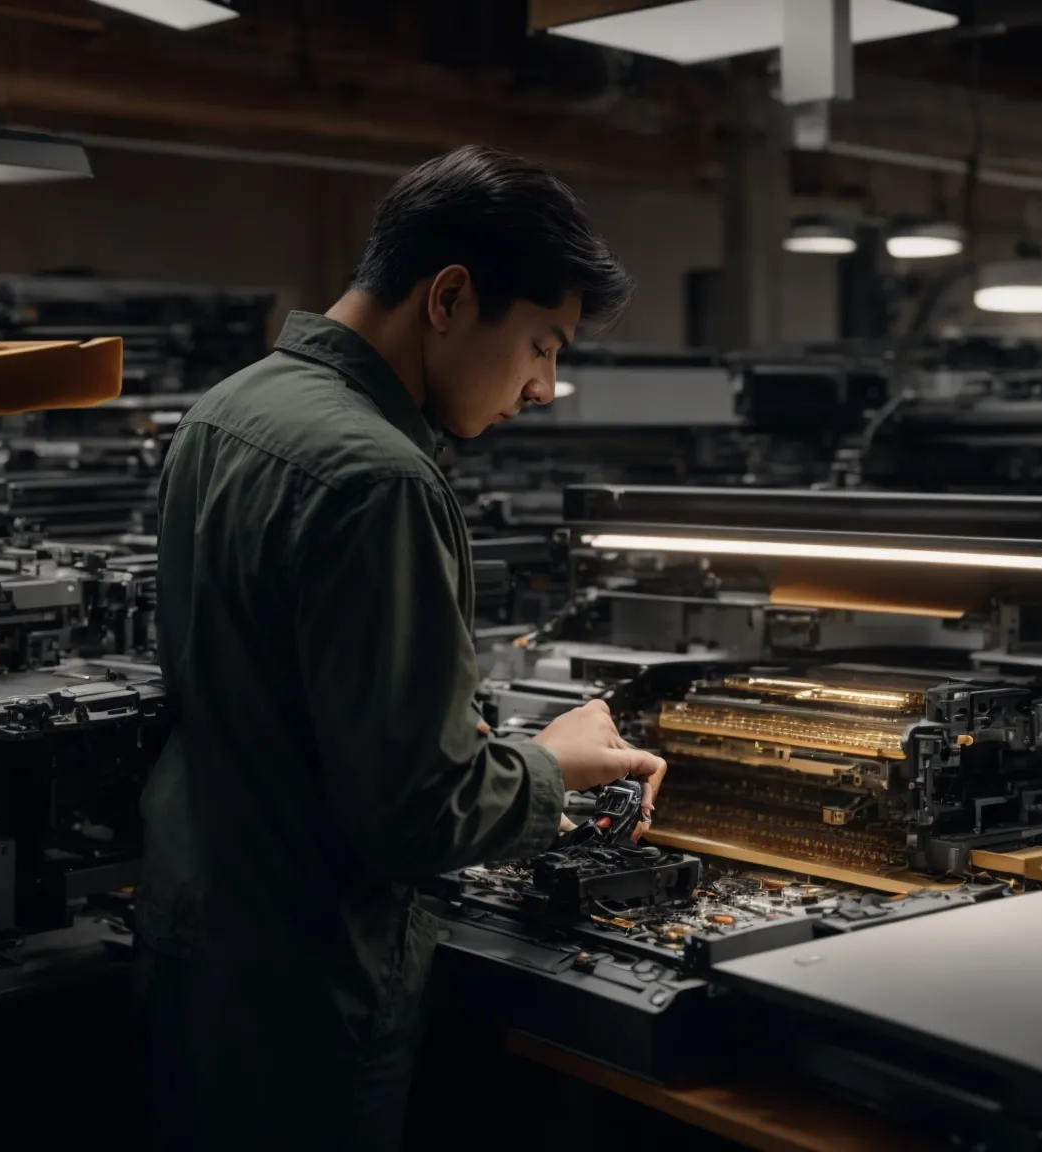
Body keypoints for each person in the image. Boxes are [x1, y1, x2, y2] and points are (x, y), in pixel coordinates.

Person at [137, 145, 667, 1151]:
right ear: (450, 298)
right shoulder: (381, 478)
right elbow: (415, 814)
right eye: (543, 344)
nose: (547, 386)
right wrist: (551, 767)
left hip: (197, 930)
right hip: (308, 978)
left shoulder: (225, 410)